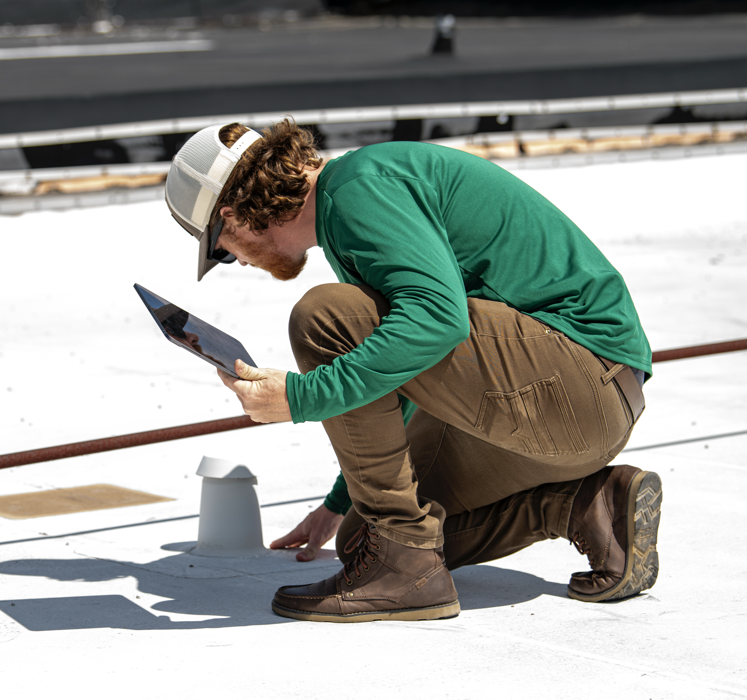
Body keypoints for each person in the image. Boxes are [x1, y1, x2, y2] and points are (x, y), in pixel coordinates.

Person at [163, 118, 661, 623]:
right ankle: (586, 505)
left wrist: (298, 398)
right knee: (366, 538)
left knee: (326, 316)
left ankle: (403, 566)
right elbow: (400, 368)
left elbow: (437, 320)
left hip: (579, 382)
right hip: (582, 398)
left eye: (222, 253)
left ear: (234, 217)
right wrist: (337, 504)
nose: (238, 262)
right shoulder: (352, 205)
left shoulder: (361, 187)